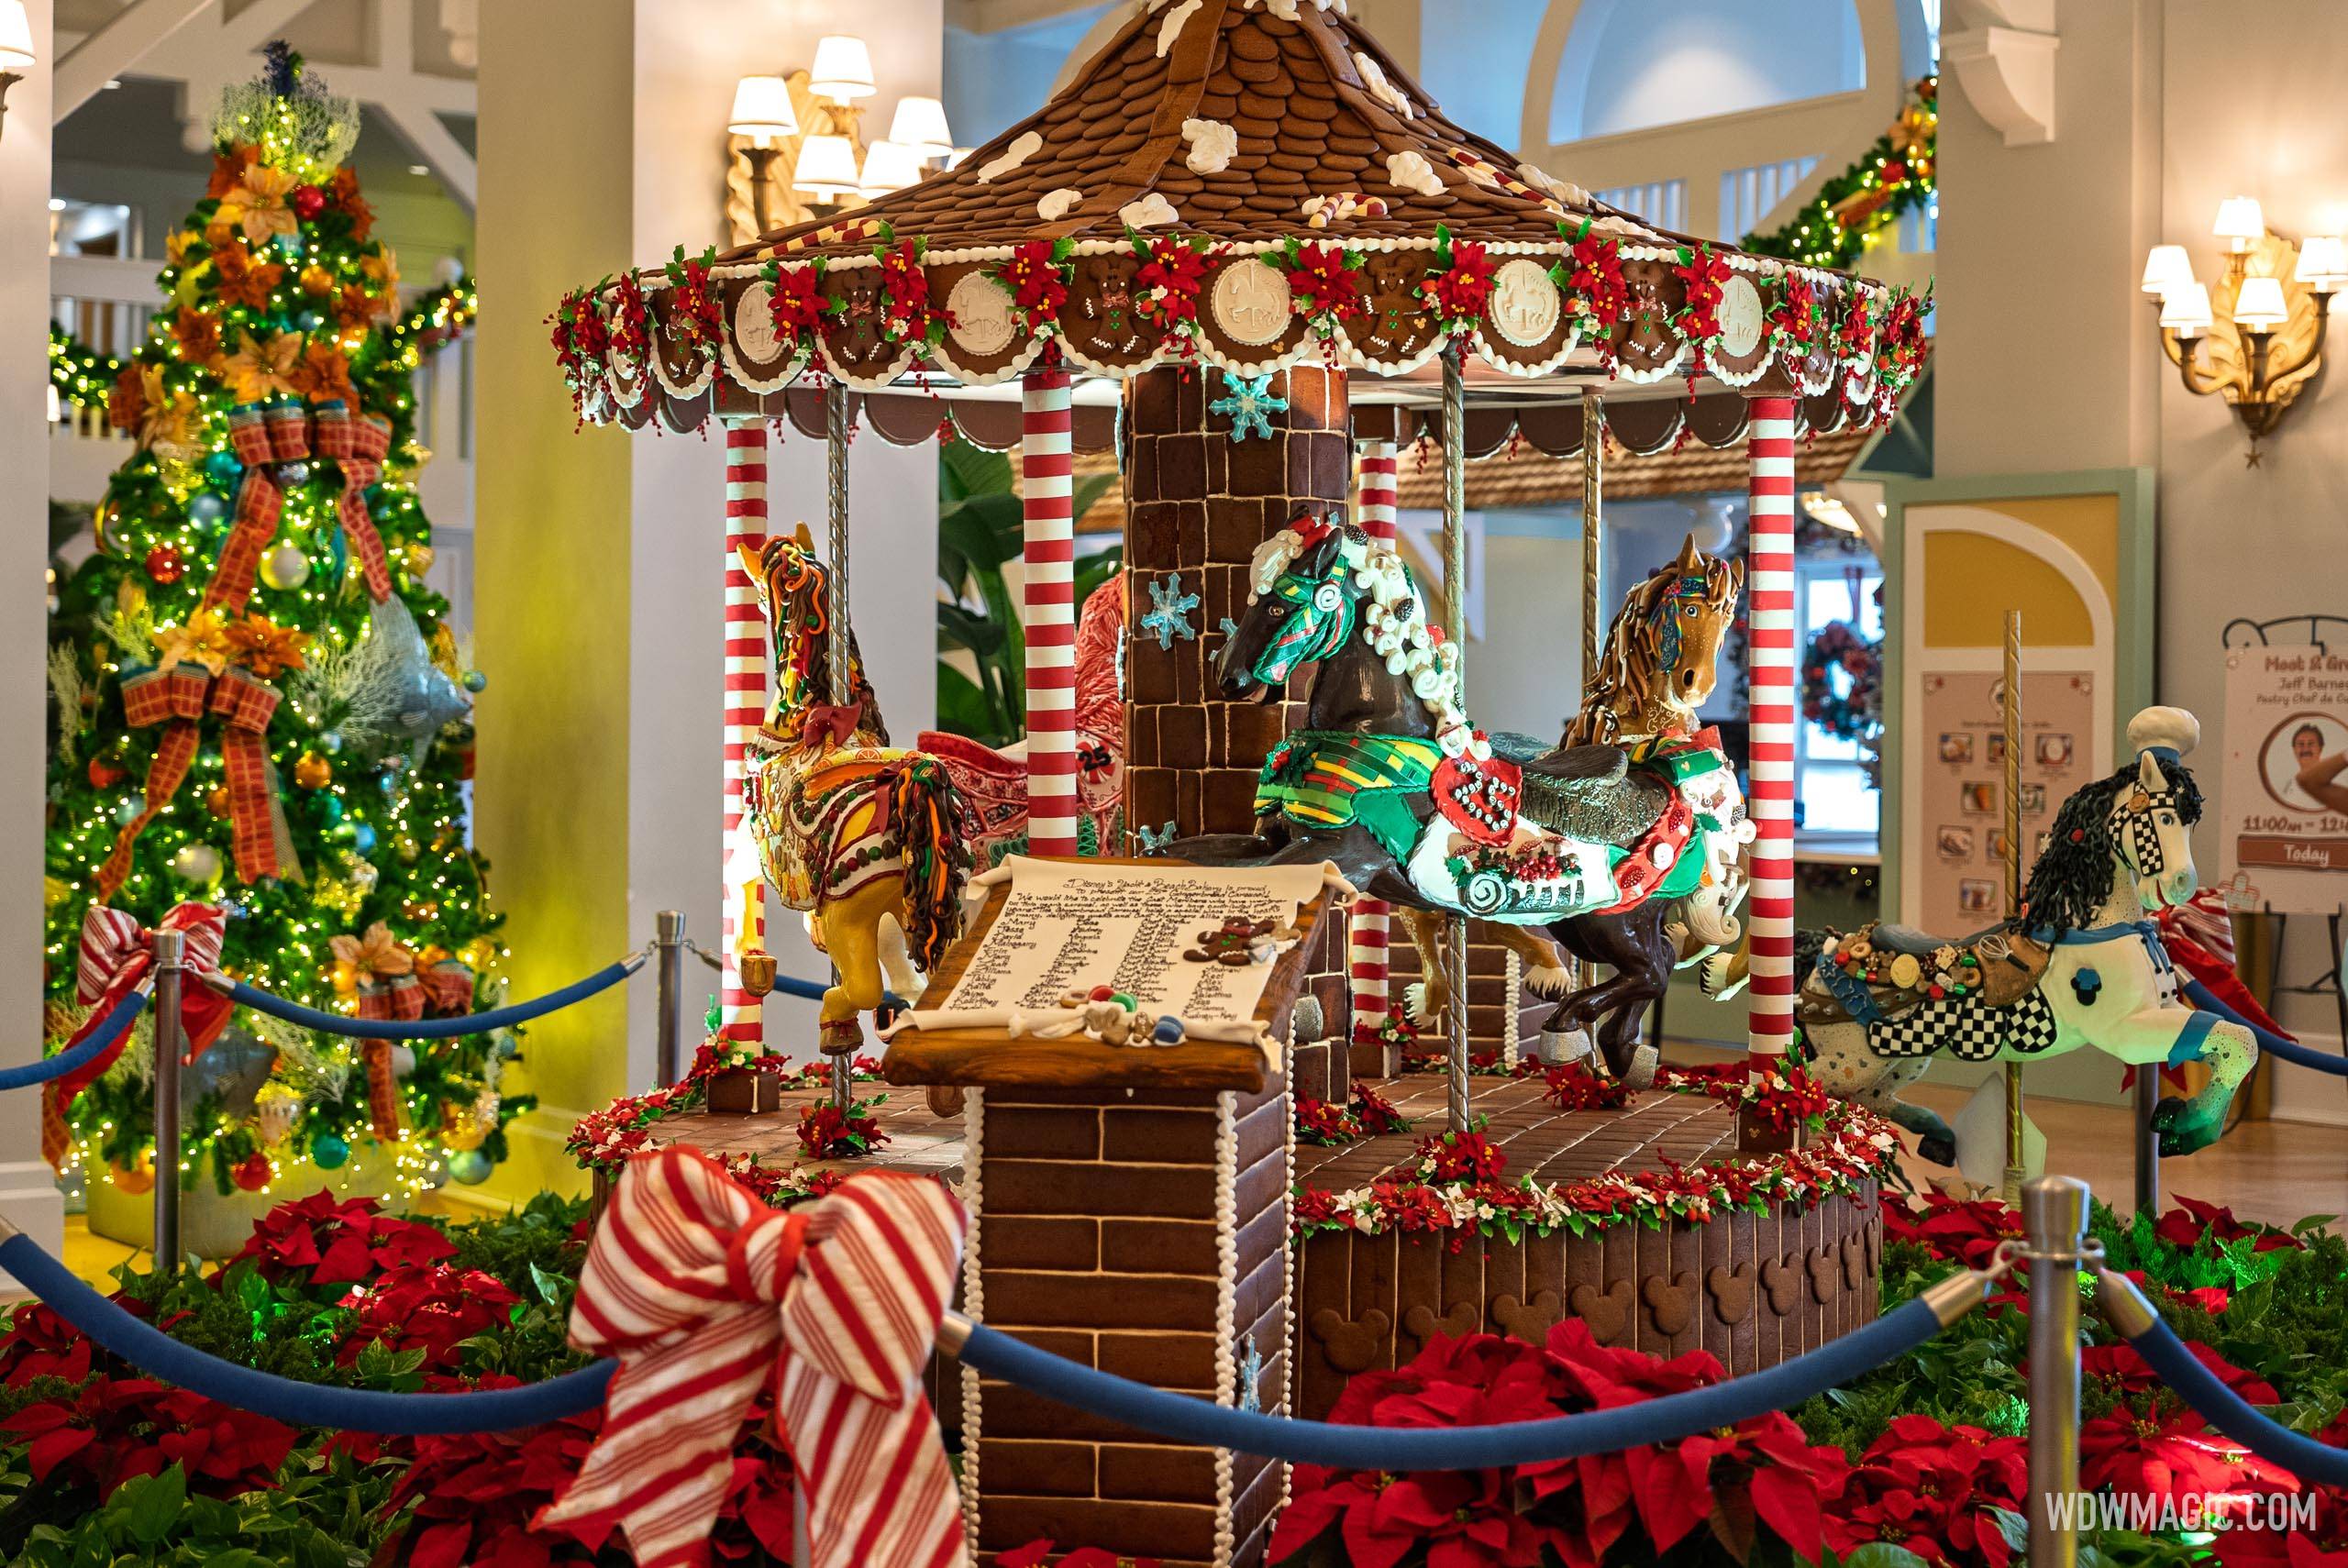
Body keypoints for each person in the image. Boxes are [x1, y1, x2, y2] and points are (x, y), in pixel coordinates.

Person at [2293, 725, 2348, 814]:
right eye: (2301, 744)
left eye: (2311, 744)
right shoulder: (2288, 788)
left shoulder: (2340, 780)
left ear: (2320, 748)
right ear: (2294, 749)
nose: (2306, 749)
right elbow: (2307, 781)